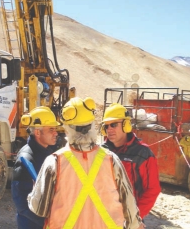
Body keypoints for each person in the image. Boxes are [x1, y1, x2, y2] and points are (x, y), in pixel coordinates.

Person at [28, 97, 144, 229]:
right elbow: (130, 208)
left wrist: (32, 195)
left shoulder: (54, 161)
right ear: (92, 126)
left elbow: (39, 209)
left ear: (67, 129)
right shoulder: (112, 160)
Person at [101, 103, 161, 220]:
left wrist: (135, 217)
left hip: (129, 218)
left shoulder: (143, 153)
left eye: (113, 124)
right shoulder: (101, 151)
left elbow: (152, 189)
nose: (109, 129)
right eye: (106, 126)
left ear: (126, 125)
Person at [11, 106, 60, 229]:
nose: (56, 133)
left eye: (55, 129)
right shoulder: (26, 159)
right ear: (37, 132)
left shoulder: (46, 153)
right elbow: (21, 202)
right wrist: (45, 222)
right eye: (51, 129)